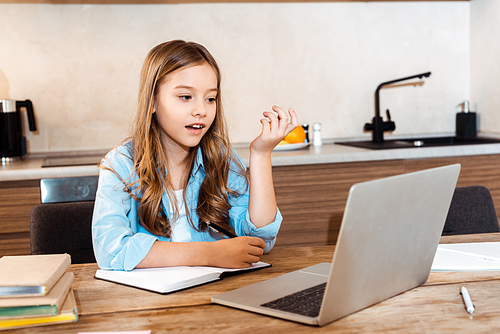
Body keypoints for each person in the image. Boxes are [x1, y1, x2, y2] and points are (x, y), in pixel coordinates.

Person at [92, 40, 298, 271]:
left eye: (210, 99)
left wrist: (261, 154)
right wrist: (210, 253)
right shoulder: (120, 164)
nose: (201, 110)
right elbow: (111, 251)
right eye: (185, 97)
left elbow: (260, 240)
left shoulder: (222, 159)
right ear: (152, 102)